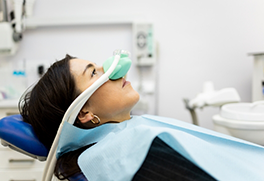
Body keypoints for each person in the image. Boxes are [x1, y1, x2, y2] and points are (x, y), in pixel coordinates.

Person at [19, 55, 263, 181]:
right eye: (94, 73)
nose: (115, 69)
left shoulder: (132, 134)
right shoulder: (131, 151)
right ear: (84, 113)